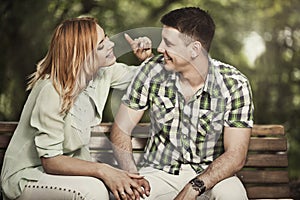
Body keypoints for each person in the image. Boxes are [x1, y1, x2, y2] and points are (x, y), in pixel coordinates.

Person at [1, 17, 153, 200]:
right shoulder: (52, 90)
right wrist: (105, 171)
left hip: (68, 173)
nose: (111, 44)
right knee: (93, 191)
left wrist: (147, 59)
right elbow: (51, 161)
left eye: (106, 37)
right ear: (81, 54)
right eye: (101, 45)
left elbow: (147, 80)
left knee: (122, 191)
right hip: (28, 176)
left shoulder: (103, 73)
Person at [110, 7, 254, 200]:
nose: (160, 48)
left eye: (168, 43)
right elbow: (121, 129)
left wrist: (193, 188)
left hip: (213, 175)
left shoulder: (234, 84)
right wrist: (132, 177)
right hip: (159, 173)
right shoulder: (150, 71)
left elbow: (236, 154)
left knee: (232, 195)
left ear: (194, 49)